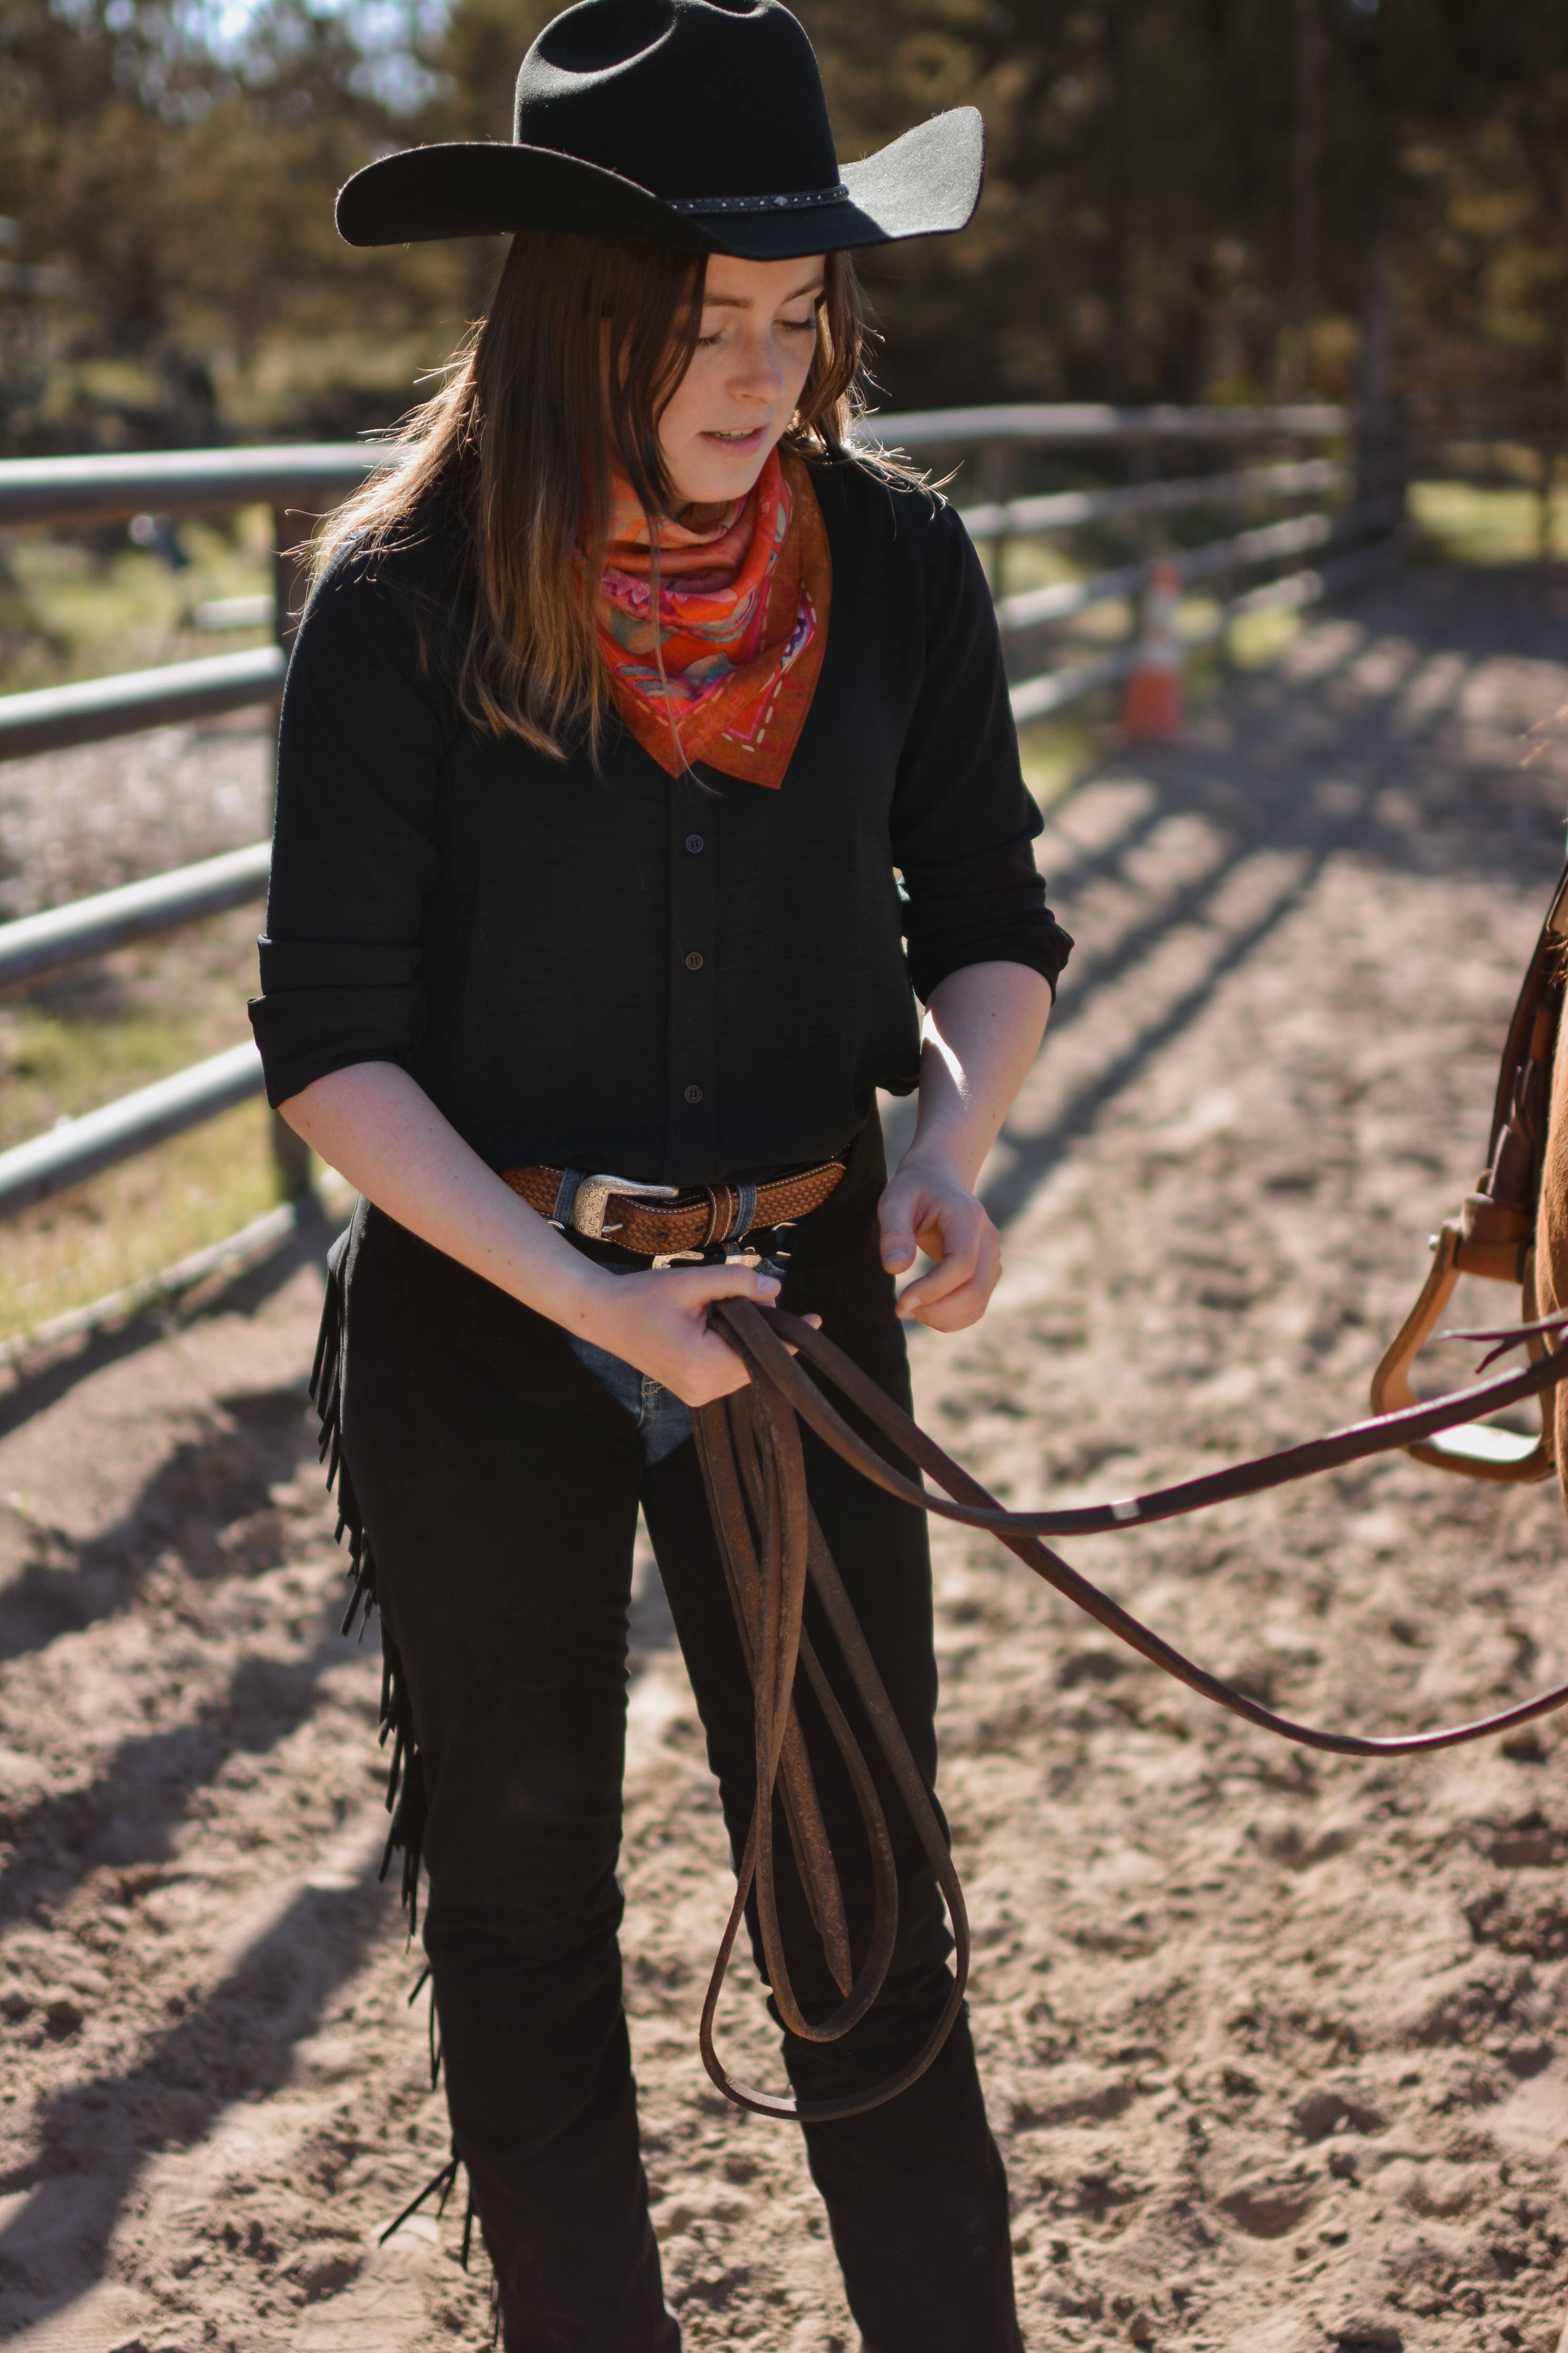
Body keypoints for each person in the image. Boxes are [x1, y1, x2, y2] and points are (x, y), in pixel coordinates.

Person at [248, 3, 1072, 2345]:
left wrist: (951, 1148)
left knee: (861, 1893)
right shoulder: (398, 604)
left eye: (794, 314)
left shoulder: (898, 570)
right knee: (516, 1899)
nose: (758, 370)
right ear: (571, 317)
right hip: (490, 1314)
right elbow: (330, 1046)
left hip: (802, 1303)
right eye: (702, 323)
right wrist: (586, 1296)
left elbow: (987, 919)